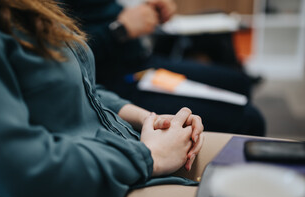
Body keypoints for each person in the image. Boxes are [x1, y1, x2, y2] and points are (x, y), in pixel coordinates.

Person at [0, 1, 252, 197]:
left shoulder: (27, 6)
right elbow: (22, 169)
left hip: (117, 154)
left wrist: (152, 120)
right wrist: (150, 156)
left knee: (274, 162)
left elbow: (80, 87)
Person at [61, 0, 266, 136]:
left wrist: (149, 11)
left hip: (140, 62)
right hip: (112, 81)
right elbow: (63, 58)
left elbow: (94, 13)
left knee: (240, 82)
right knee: (249, 119)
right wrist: (119, 31)